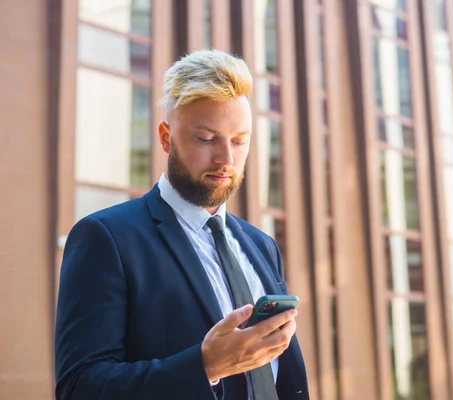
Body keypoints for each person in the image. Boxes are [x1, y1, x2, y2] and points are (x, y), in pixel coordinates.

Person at [54, 49, 309, 400]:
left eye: (239, 141)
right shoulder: (106, 238)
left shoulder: (261, 244)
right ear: (164, 137)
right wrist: (205, 366)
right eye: (206, 139)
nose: (226, 159)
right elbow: (78, 387)